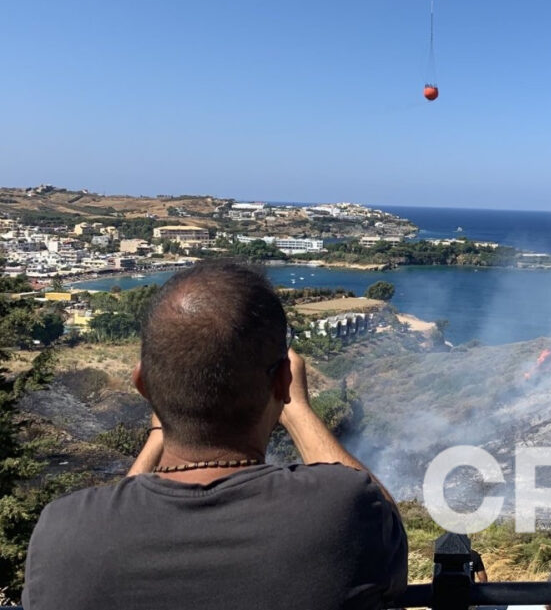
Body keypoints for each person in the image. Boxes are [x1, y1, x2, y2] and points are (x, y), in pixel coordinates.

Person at [22, 260, 407, 610]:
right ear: (284, 381)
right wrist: (298, 409)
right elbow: (388, 532)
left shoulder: (63, 532)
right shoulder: (342, 512)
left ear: (142, 384)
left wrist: (160, 433)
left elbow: (117, 518)